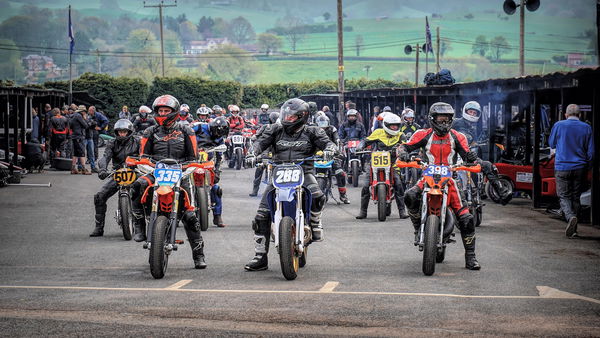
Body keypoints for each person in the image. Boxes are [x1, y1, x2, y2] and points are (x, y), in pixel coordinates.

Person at [244, 98, 336, 271]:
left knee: (318, 196)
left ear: (303, 116)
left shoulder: (313, 131)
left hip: (304, 172)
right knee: (261, 216)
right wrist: (251, 154)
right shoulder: (274, 129)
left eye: (292, 116)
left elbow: (328, 143)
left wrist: (330, 150)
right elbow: (259, 143)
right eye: (285, 115)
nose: (288, 118)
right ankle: (260, 256)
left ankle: (315, 221)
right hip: (278, 174)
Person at [398, 102, 482, 270]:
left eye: (447, 119)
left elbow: (467, 155)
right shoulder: (423, 134)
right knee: (409, 196)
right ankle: (417, 226)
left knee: (466, 218)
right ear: (432, 119)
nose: (444, 123)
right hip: (427, 178)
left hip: (450, 181)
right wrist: (403, 153)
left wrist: (472, 157)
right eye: (441, 119)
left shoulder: (458, 137)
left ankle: (470, 257)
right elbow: (404, 146)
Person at [130, 94, 206, 269]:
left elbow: (193, 156)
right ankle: (139, 225)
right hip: (156, 173)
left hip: (180, 174)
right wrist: (143, 163)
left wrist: (192, 166)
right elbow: (144, 155)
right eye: (160, 111)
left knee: (190, 215)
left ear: (174, 112)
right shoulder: (150, 132)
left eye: (166, 110)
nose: (163, 113)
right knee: (136, 185)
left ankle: (199, 255)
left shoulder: (187, 130)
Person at [549, 104, 594, 237]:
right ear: (579, 115)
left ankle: (570, 217)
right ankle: (574, 229)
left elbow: (551, 143)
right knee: (575, 197)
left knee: (563, 195)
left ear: (566, 115)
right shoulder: (587, 127)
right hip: (580, 167)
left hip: (562, 167)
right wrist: (588, 167)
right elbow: (591, 152)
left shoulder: (559, 125)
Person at [453, 101, 512, 205]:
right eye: (470, 112)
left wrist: (478, 144)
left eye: (474, 113)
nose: (472, 114)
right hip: (452, 155)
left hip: (467, 156)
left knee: (489, 166)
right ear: (465, 111)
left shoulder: (473, 127)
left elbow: (473, 142)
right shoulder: (455, 122)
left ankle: (501, 191)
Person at [90, 119, 140, 237]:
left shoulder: (138, 141)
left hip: (135, 172)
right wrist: (102, 169)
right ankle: (99, 227)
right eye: (120, 132)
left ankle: (150, 224)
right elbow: (105, 157)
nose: (122, 134)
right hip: (118, 173)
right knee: (99, 196)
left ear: (130, 131)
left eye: (124, 132)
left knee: (149, 193)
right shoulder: (112, 143)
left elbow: (146, 154)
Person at [355, 113, 409, 220]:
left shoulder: (400, 135)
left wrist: (403, 152)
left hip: (393, 164)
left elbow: (405, 146)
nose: (395, 127)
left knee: (398, 183)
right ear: (386, 125)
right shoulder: (378, 132)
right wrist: (360, 146)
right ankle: (363, 211)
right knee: (366, 185)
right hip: (375, 163)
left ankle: (402, 211)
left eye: (396, 125)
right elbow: (366, 140)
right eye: (392, 126)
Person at [192, 116, 230, 227]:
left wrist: (217, 170)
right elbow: (185, 135)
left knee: (216, 189)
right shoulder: (198, 127)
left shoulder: (219, 139)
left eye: (221, 134)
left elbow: (219, 156)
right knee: (181, 185)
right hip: (190, 160)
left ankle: (217, 216)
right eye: (217, 133)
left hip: (208, 164)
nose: (218, 136)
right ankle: (179, 212)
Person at [315, 113, 350, 204]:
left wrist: (339, 151)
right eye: (320, 123)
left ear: (328, 123)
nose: (322, 126)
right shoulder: (313, 130)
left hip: (331, 154)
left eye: (324, 123)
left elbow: (337, 141)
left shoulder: (332, 129)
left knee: (340, 174)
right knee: (307, 173)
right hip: (317, 156)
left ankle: (343, 194)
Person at [249, 112, 280, 197]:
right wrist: (254, 138)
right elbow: (257, 136)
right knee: (259, 167)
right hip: (266, 151)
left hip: (273, 153)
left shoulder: (280, 129)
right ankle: (255, 191)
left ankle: (272, 191)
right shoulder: (266, 127)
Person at [69, 105, 91, 175]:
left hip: (75, 136)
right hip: (79, 136)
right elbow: (86, 126)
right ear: (82, 111)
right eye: (84, 112)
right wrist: (85, 119)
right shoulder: (79, 116)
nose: (85, 113)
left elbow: (71, 126)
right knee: (82, 153)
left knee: (75, 153)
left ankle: (73, 169)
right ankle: (84, 169)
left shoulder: (73, 116)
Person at [83, 106, 99, 173]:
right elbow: (86, 126)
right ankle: (81, 167)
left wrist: (91, 123)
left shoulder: (90, 117)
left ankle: (93, 167)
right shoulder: (81, 117)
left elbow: (94, 124)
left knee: (91, 153)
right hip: (84, 137)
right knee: (82, 153)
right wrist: (90, 123)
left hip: (89, 137)